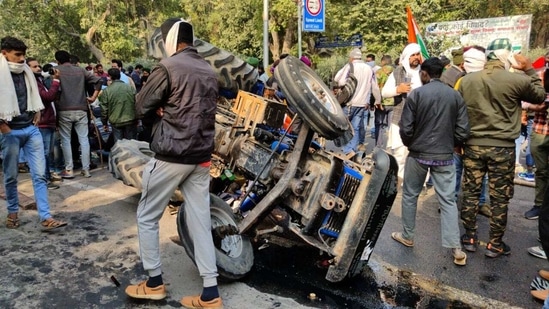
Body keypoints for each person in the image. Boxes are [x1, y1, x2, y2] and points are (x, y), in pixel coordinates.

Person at [125, 18, 223, 309]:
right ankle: (210, 292)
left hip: (172, 154)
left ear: (169, 39)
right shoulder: (208, 69)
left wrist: (159, 111)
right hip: (201, 156)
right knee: (200, 222)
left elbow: (140, 106)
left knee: (146, 215)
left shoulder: (168, 67)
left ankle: (154, 283)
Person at [457, 38, 546, 258]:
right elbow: (539, 96)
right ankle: (495, 244)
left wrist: (458, 141)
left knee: (470, 193)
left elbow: (458, 114)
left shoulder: (468, 80)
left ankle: (469, 237)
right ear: (507, 56)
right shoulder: (515, 80)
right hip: (503, 148)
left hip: (473, 146)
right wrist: (530, 70)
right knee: (499, 197)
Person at [390, 57, 469, 266]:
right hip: (444, 156)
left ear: (424, 73)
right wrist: (452, 144)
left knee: (410, 195)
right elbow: (462, 130)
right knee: (448, 201)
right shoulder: (455, 96)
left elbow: (405, 128)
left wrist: (412, 144)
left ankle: (407, 236)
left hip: (418, 154)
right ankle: (456, 248)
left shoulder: (416, 95)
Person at [0, 36, 67, 230]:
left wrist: (37, 109)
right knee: (11, 176)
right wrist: (3, 126)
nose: (22, 59)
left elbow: (35, 94)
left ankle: (46, 217)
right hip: (9, 132)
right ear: (4, 53)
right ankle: (13, 213)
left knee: (39, 175)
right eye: (17, 55)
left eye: (24, 55)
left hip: (31, 129)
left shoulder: (26, 71)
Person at [54, 50, 103, 179]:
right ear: (69, 59)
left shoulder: (55, 71)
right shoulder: (81, 70)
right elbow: (99, 81)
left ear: (57, 60)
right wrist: (93, 97)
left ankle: (69, 169)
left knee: (65, 140)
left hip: (64, 109)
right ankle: (86, 169)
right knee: (84, 139)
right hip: (81, 108)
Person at [381, 43, 423, 180]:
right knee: (400, 152)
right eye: (413, 55)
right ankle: (399, 179)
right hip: (401, 117)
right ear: (406, 57)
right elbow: (385, 92)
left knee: (420, 152)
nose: (416, 58)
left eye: (418, 54)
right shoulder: (398, 72)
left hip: (421, 118)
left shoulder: (425, 71)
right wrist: (398, 90)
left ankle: (418, 181)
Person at [334, 48, 380, 158]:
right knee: (355, 127)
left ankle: (347, 150)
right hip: (362, 104)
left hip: (349, 102)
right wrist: (377, 100)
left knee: (344, 126)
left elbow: (338, 79)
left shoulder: (350, 66)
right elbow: (375, 86)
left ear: (351, 57)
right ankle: (352, 150)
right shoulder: (369, 69)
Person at [27, 57, 61, 190]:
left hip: (49, 121)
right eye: (34, 67)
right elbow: (48, 97)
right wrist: (56, 81)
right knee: (43, 153)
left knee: (48, 151)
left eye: (38, 66)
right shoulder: (33, 82)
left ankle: (46, 176)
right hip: (43, 122)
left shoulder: (40, 80)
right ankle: (44, 180)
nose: (38, 68)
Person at [98, 68, 137, 142]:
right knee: (133, 144)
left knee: (119, 146)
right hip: (130, 119)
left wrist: (104, 123)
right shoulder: (130, 88)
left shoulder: (107, 90)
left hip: (116, 121)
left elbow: (104, 109)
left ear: (110, 77)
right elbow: (136, 103)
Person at [374, 54, 394, 147]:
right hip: (394, 102)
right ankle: (391, 146)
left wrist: (374, 101)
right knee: (392, 126)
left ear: (383, 62)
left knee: (379, 124)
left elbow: (375, 88)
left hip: (381, 102)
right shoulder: (396, 72)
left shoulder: (379, 72)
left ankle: (379, 146)